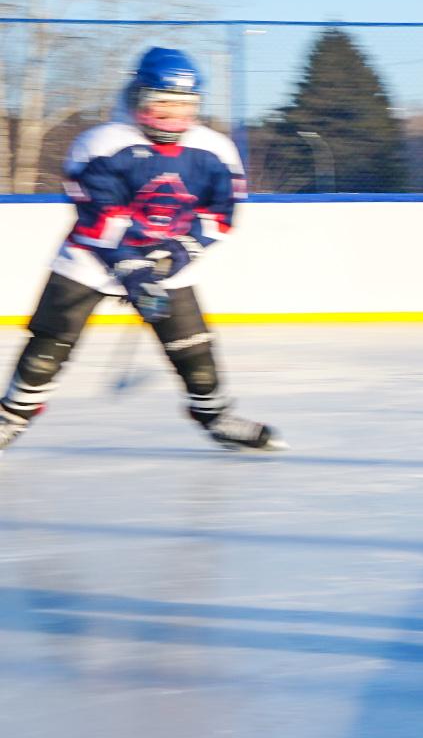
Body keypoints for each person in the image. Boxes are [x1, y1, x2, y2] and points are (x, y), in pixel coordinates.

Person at [0, 47, 285, 457]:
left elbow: (220, 214)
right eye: (161, 106)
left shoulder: (214, 150)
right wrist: (134, 271)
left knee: (194, 352)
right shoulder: (101, 144)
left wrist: (181, 252)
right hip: (89, 262)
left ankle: (215, 417)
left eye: (184, 108)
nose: (173, 119)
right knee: (49, 346)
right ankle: (12, 416)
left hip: (168, 265)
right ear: (137, 100)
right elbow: (101, 217)